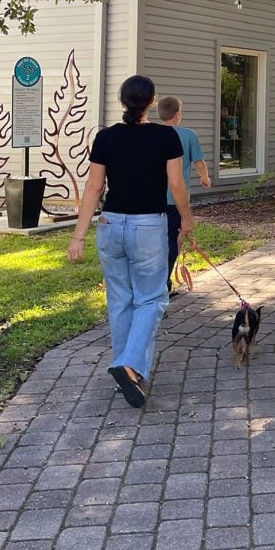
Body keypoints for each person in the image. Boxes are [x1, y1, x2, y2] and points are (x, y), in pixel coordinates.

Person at [67, 75, 193, 408]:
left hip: (110, 225)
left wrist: (78, 236)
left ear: (123, 102)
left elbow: (94, 188)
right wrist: (186, 217)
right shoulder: (167, 136)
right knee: (152, 298)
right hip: (149, 227)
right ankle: (129, 364)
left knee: (120, 299)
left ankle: (129, 374)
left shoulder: (106, 138)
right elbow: (176, 184)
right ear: (152, 101)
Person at [157, 95, 211, 291]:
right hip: (175, 200)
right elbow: (198, 162)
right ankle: (163, 283)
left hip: (151, 200)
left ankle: (161, 283)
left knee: (155, 242)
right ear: (178, 114)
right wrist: (205, 177)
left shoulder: (152, 134)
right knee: (173, 241)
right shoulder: (188, 135)